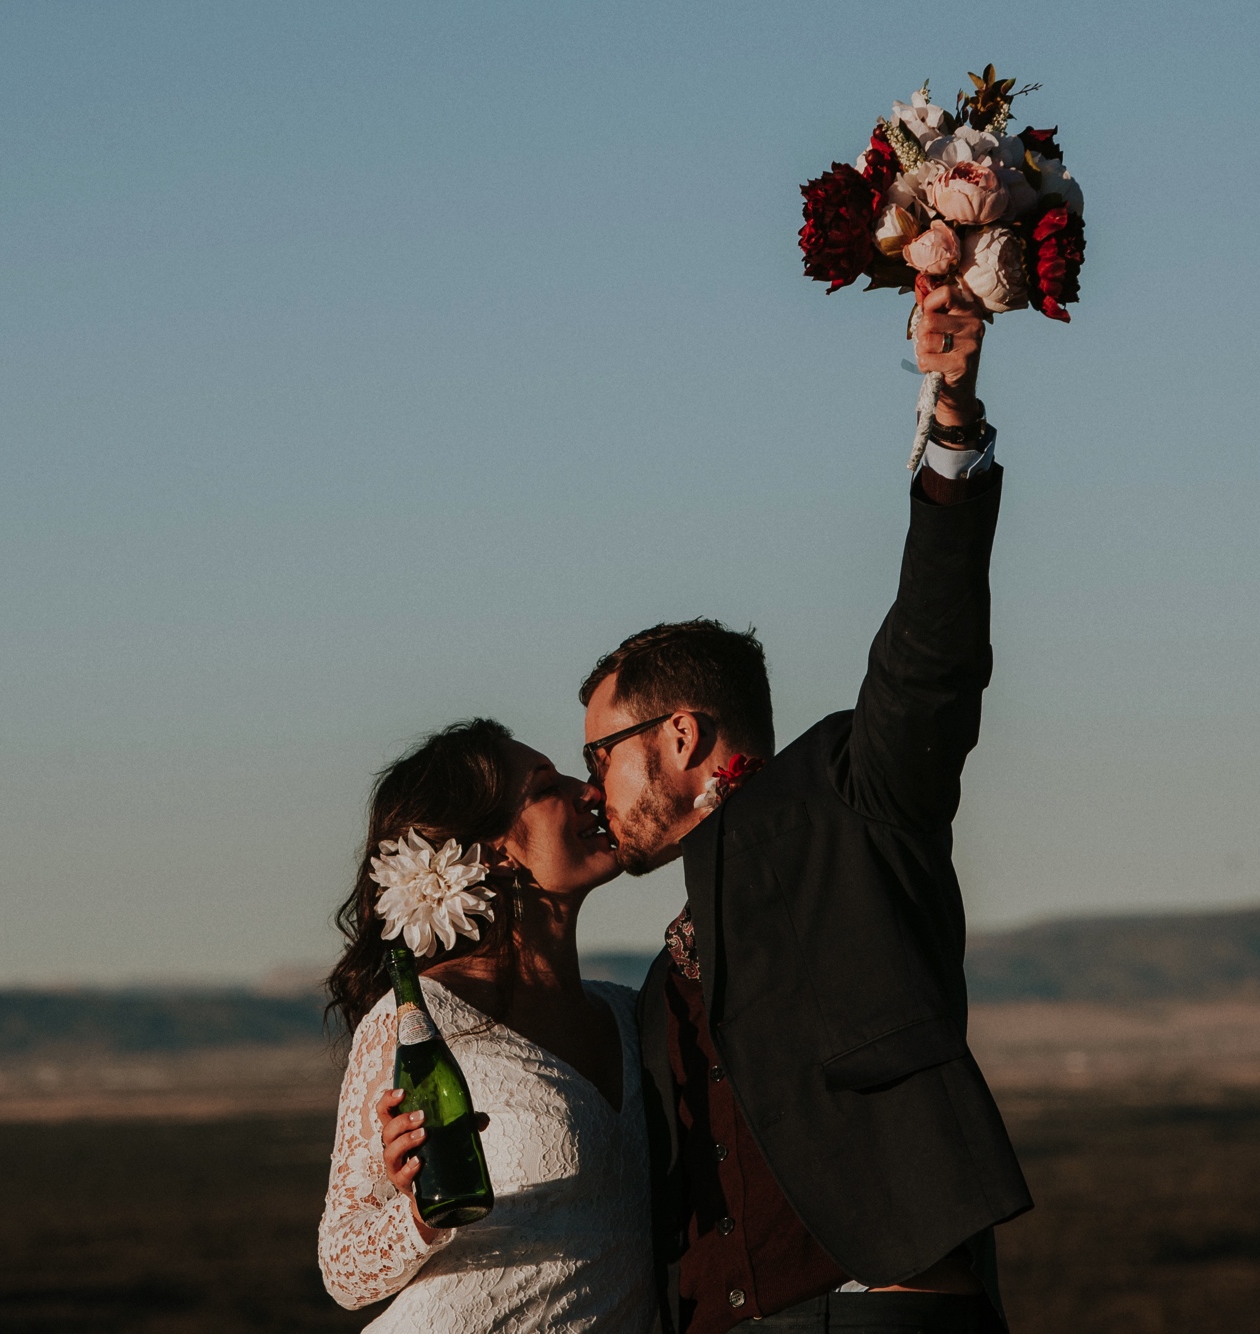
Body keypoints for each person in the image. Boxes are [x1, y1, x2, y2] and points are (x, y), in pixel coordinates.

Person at [580, 280, 1030, 1333]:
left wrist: (949, 426)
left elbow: (930, 656)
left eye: (599, 754)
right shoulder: (659, 986)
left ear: (679, 737)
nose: (592, 790)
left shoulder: (846, 797)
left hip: (886, 1303)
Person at [317, 719, 657, 1333]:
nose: (590, 791)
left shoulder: (635, 1016)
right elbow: (342, 1271)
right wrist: (422, 1212)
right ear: (495, 850)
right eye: (548, 784)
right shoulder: (422, 1021)